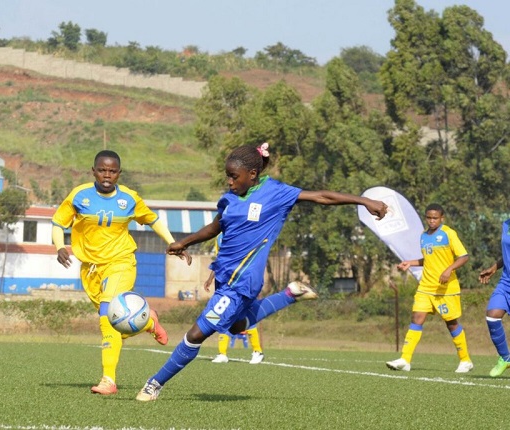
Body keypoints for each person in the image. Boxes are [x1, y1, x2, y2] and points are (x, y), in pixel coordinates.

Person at [135, 142, 389, 401]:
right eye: (228, 175)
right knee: (236, 327)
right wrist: (184, 242)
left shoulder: (275, 193)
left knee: (197, 333)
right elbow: (215, 227)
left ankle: (154, 383)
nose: (230, 181)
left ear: (252, 174)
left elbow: (321, 197)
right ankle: (289, 295)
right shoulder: (230, 198)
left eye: (234, 176)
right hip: (225, 277)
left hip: (243, 281)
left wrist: (364, 201)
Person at [52, 149, 191, 396]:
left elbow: (153, 220)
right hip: (91, 269)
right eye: (102, 170)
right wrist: (59, 246)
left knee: (106, 314)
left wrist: (173, 243)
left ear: (119, 173)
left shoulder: (129, 198)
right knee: (114, 324)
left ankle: (108, 380)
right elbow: (58, 222)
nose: (107, 175)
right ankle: (149, 322)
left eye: (112, 171)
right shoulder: (79, 195)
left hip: (121, 262)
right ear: (93, 171)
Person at [386, 204, 472, 373]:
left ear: (442, 218)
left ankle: (465, 360)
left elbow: (464, 256)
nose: (432, 221)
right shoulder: (424, 236)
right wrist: (410, 262)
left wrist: (449, 270)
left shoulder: (448, 233)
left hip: (445, 289)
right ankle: (405, 359)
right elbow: (429, 259)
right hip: (426, 286)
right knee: (417, 318)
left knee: (451, 324)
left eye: (435, 218)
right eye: (429, 218)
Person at [205, 269, 265, 364]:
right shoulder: (225, 259)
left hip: (241, 291)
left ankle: (257, 352)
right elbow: (218, 264)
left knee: (244, 318)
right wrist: (210, 279)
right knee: (224, 321)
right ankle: (222, 354)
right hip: (227, 292)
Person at [478, 218, 510, 377]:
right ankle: (505, 358)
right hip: (506, 281)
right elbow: (507, 253)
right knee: (492, 315)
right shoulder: (506, 224)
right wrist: (493, 268)